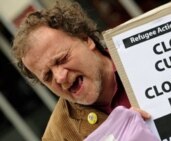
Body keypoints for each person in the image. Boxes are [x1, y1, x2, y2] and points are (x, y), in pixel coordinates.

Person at [12, 1, 150, 141]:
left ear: (86, 40)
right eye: (48, 76)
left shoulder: (150, 55)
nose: (59, 77)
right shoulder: (58, 136)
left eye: (62, 59)